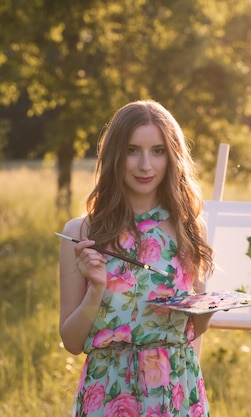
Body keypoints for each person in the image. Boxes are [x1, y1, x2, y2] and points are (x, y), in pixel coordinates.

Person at [58, 100, 215, 417]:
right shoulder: (83, 233)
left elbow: (193, 330)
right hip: (108, 393)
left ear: (172, 157)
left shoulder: (189, 229)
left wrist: (209, 312)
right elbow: (72, 342)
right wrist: (96, 289)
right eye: (133, 150)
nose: (146, 165)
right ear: (116, 155)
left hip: (177, 392)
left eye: (157, 151)